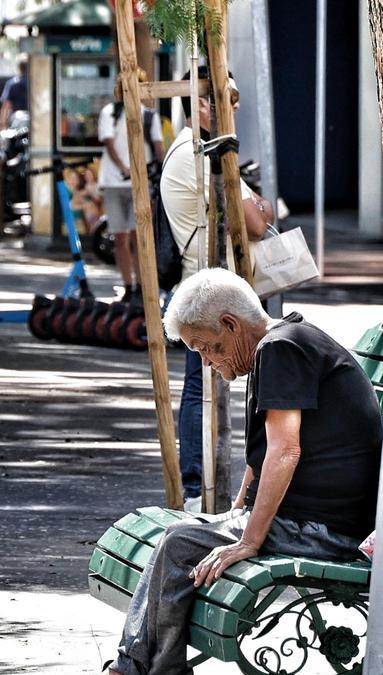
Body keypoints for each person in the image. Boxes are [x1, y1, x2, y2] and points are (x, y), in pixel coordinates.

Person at [107, 267, 383, 675]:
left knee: (180, 543)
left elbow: (285, 451)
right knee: (177, 539)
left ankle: (138, 669)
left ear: (230, 324)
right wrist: (237, 513)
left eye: (207, 347)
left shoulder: (281, 349)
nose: (205, 360)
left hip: (326, 530)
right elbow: (261, 456)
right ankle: (137, 667)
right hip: (309, 520)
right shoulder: (277, 345)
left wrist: (248, 540)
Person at [161, 68, 281, 509]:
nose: (236, 107)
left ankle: (198, 486)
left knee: (205, 383)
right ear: (203, 103)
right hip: (209, 289)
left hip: (211, 284)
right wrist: (261, 207)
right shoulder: (202, 154)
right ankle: (195, 489)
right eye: (229, 98)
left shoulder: (202, 152)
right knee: (202, 383)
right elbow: (257, 218)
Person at [97, 79, 164, 302]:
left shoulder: (149, 116)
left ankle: (143, 288)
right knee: (120, 238)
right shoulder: (111, 113)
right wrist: (125, 168)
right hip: (115, 182)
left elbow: (158, 148)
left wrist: (155, 175)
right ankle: (128, 286)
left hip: (140, 185)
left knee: (140, 239)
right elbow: (108, 142)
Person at [0, 58, 28, 131]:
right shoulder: (37, 83)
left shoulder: (12, 83)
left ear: (19, 68)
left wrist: (3, 124)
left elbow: (6, 105)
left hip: (17, 120)